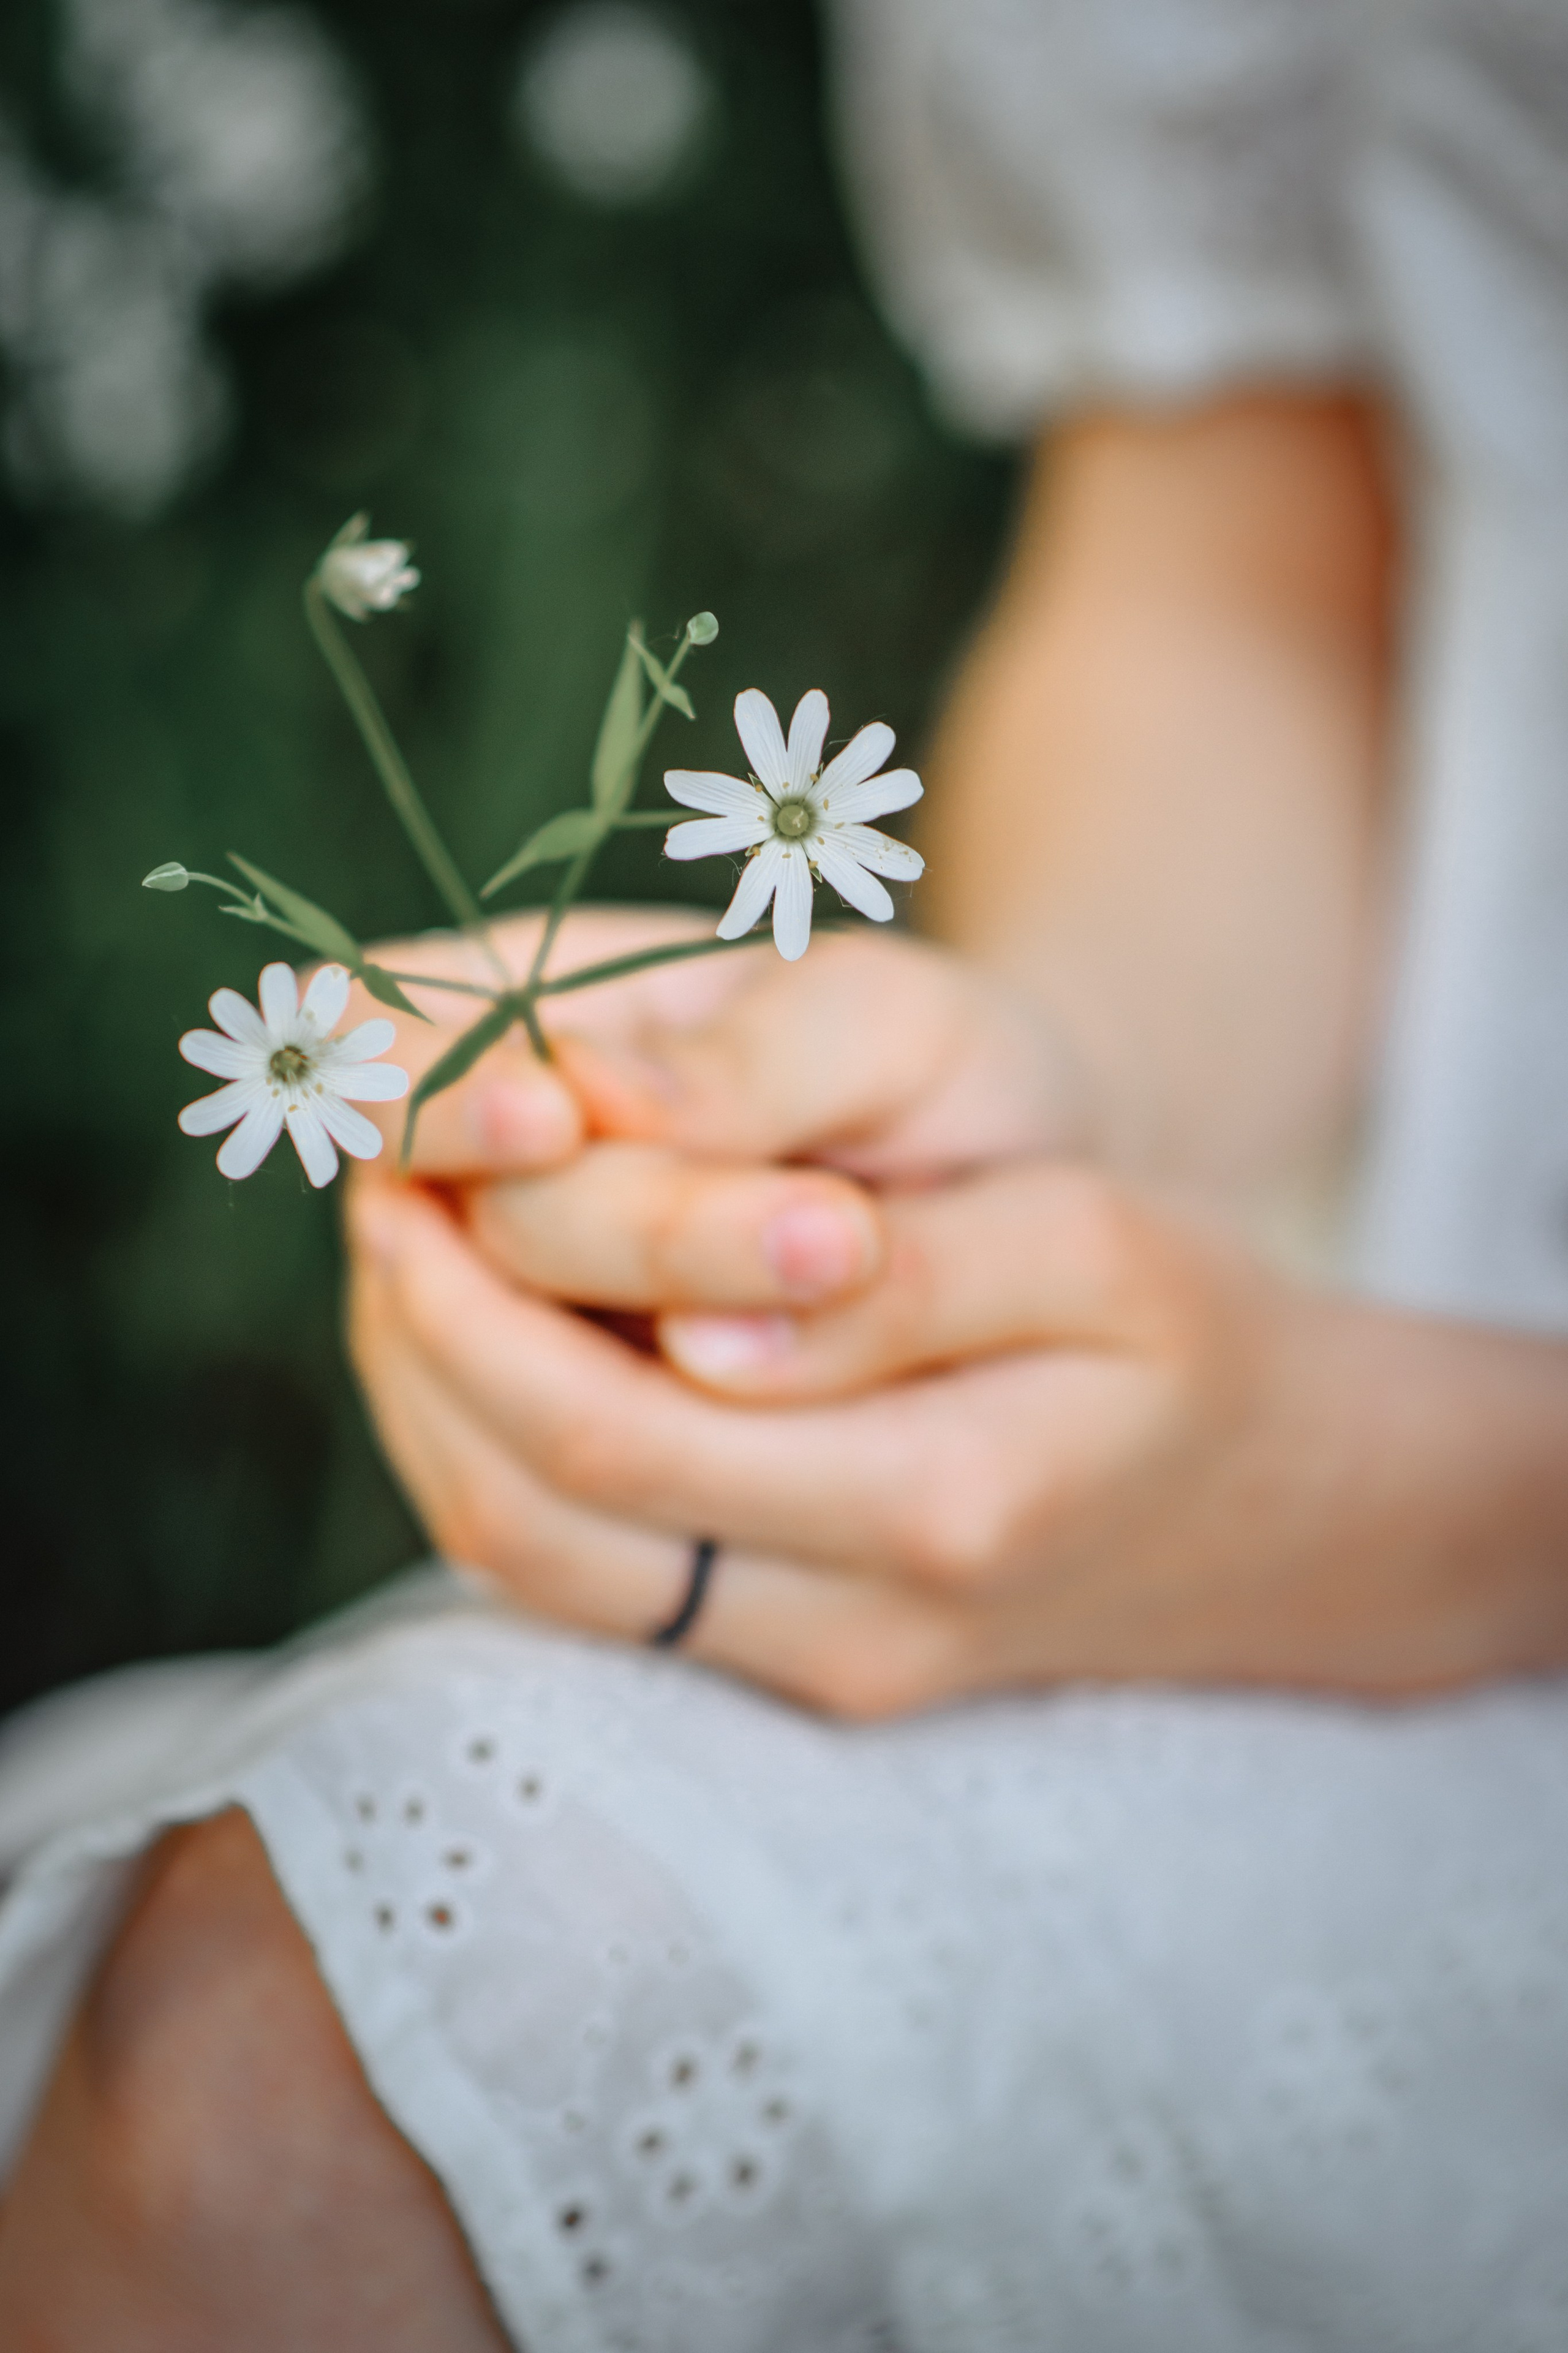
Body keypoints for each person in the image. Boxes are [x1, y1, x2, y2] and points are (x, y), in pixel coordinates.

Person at [4, 4, 1568, 2347]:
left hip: (1429, 1487)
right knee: (284, 2052)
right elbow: (1247, 575)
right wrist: (1002, 1096)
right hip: (1364, 1415)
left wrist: (1445, 1499)